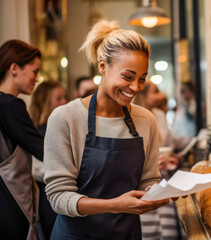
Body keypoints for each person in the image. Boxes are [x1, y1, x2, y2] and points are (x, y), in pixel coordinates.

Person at [43, 20, 176, 240]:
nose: (135, 87)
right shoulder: (65, 118)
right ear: (103, 66)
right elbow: (58, 197)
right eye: (127, 76)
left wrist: (160, 192)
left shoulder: (146, 120)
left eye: (142, 79)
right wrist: (115, 205)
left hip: (127, 235)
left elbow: (148, 178)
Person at [133, 81, 189, 240]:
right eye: (156, 91)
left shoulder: (159, 115)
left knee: (168, 228)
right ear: (143, 96)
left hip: (163, 179)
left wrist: (173, 159)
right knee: (148, 230)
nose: (162, 95)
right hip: (141, 184)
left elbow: (170, 143)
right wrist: (147, 164)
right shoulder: (130, 118)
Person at [0, 39, 44, 239]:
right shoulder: (10, 105)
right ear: (14, 68)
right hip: (9, 196)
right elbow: (41, 148)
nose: (37, 78)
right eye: (34, 71)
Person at [28, 80, 67, 239]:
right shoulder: (36, 132)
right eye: (58, 99)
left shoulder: (62, 127)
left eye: (64, 97)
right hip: (47, 196)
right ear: (44, 101)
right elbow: (35, 168)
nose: (64, 102)